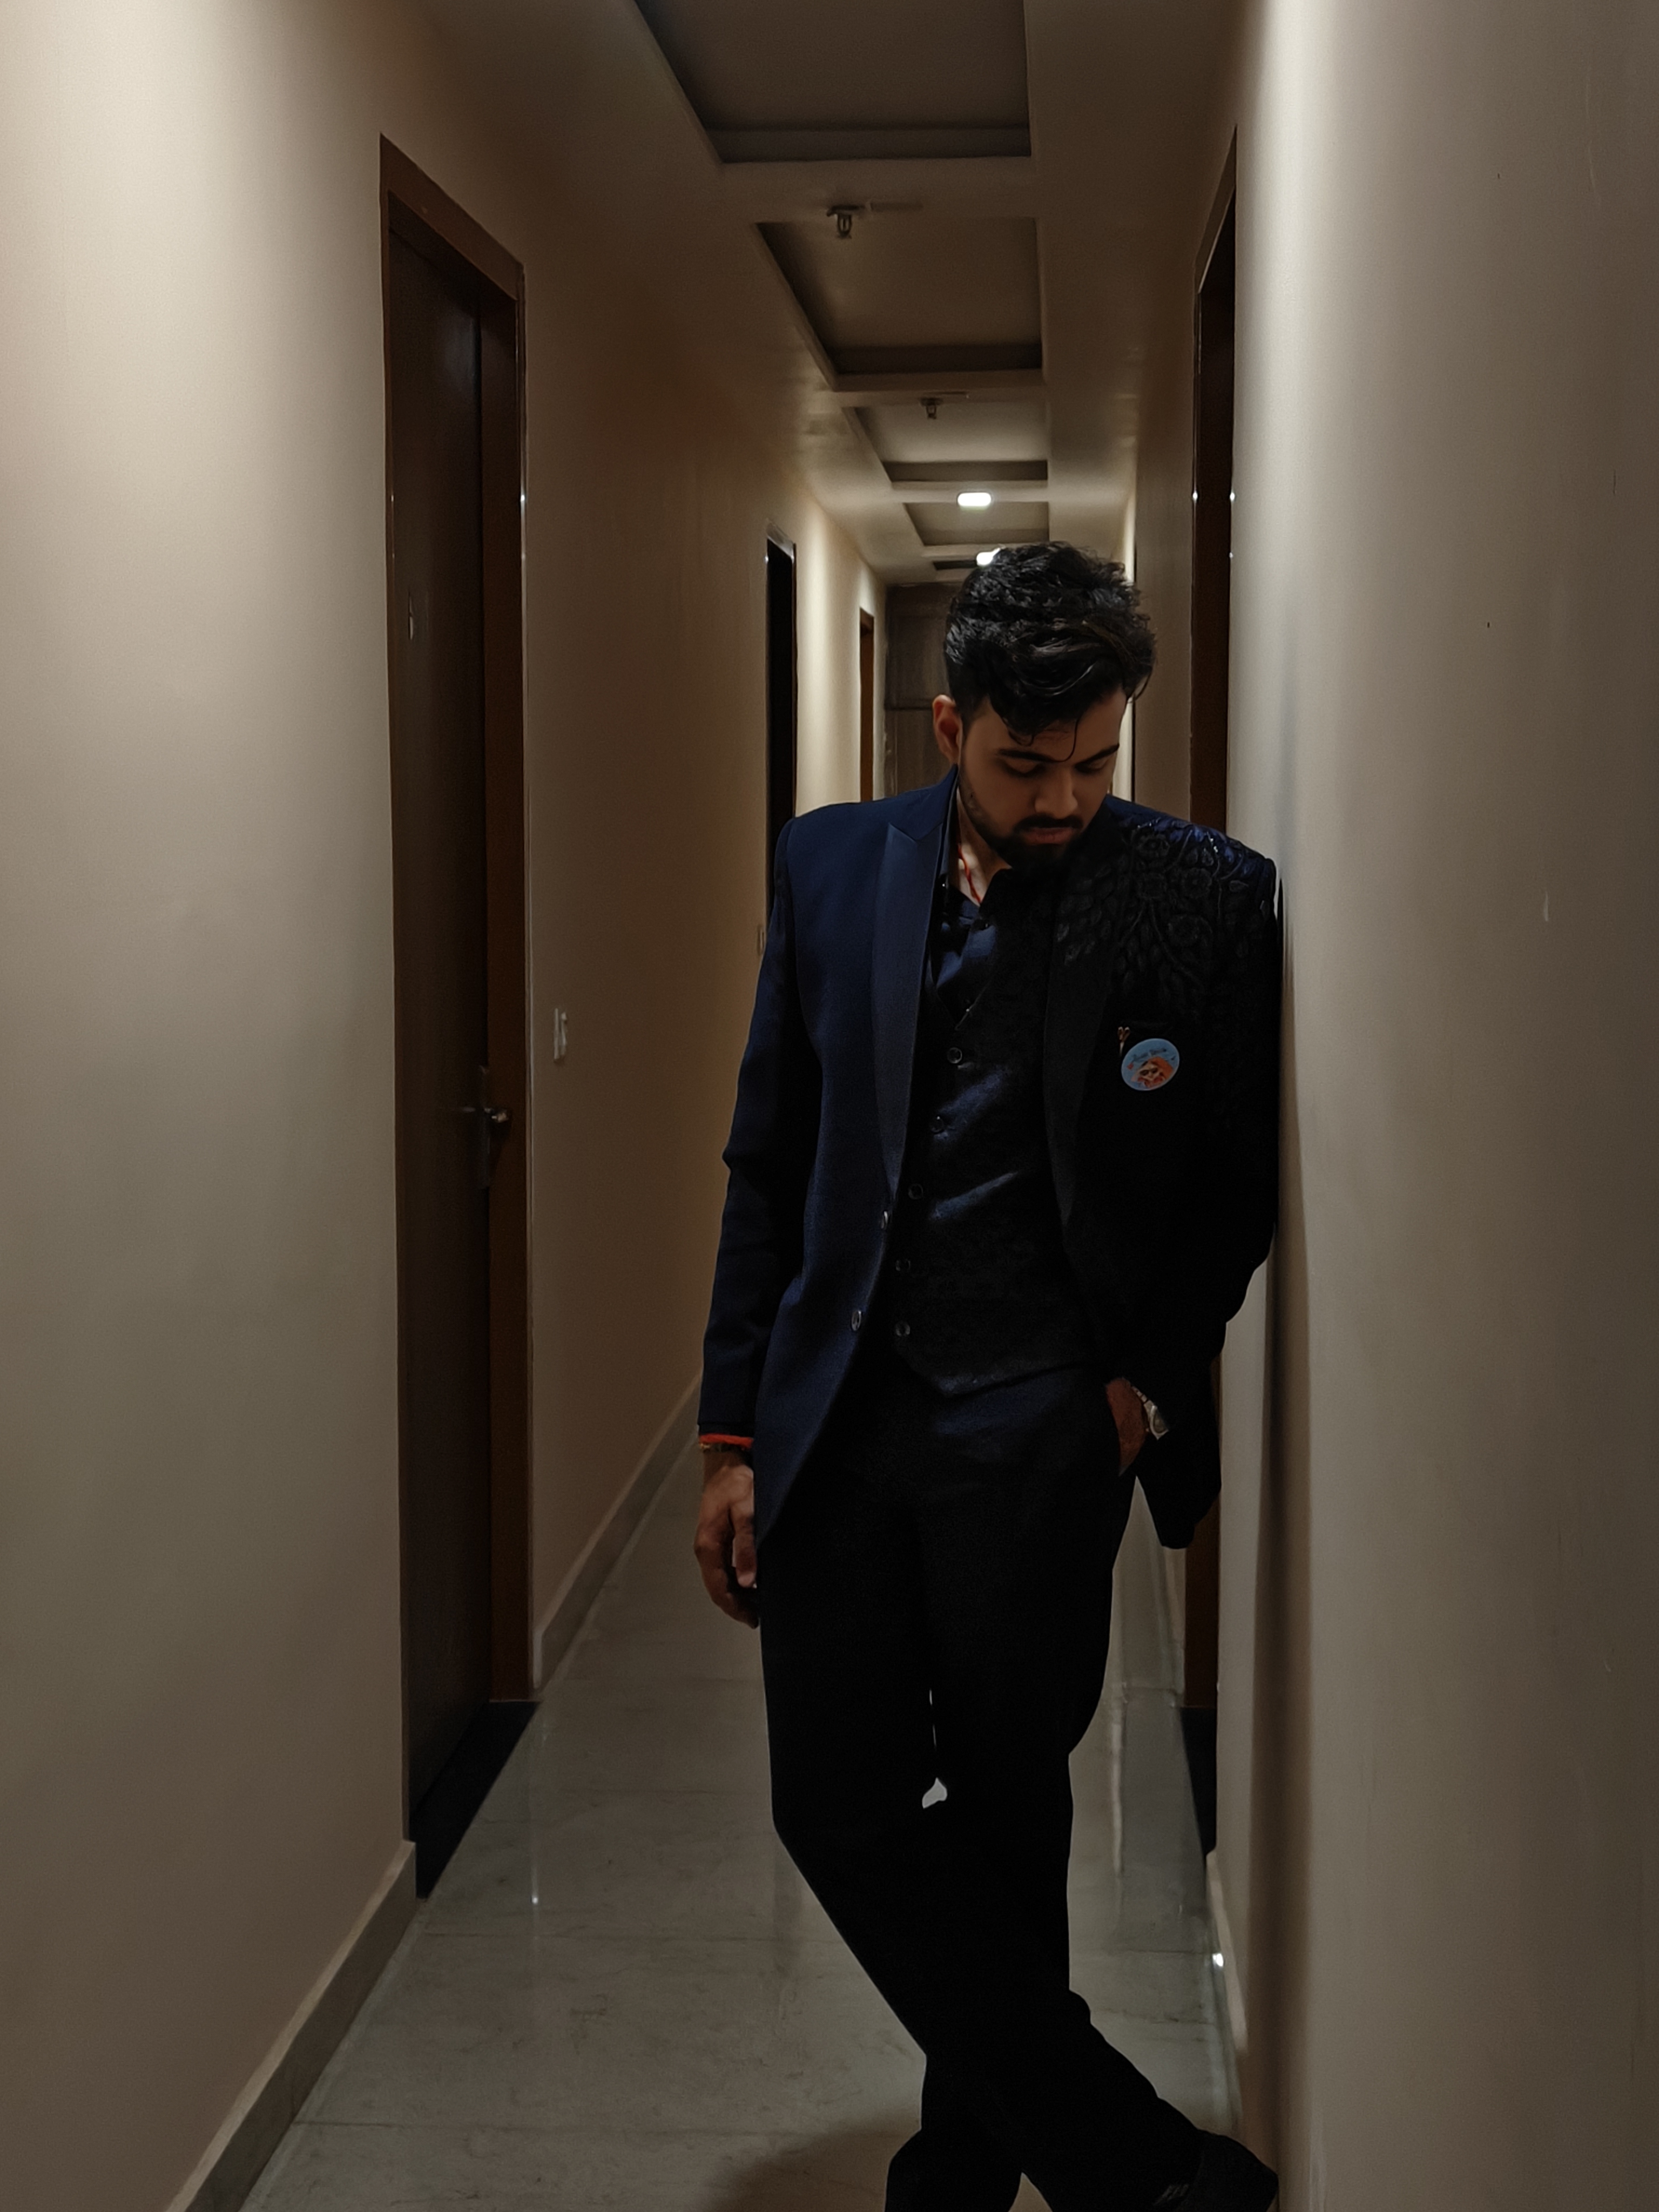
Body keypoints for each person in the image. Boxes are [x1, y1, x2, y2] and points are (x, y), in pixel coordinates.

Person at [694, 543, 1281, 2212]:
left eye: (1095, 760)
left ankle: (967, 2162)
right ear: (950, 726)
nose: (1066, 798)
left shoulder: (1199, 896)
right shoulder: (831, 865)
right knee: (838, 1804)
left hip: (1040, 1436)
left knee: (1013, 1808)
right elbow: (769, 1162)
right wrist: (730, 1435)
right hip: (842, 1422)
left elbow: (1230, 1185)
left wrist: (1140, 1390)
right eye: (1028, 765)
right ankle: (1124, 2157)